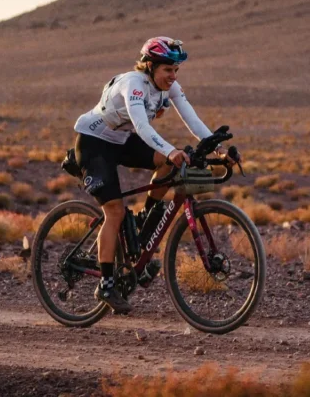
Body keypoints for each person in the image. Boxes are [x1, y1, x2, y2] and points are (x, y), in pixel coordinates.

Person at [72, 36, 230, 314]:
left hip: (120, 141)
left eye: (176, 70)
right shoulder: (133, 85)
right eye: (168, 70)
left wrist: (220, 150)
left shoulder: (169, 87)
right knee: (115, 212)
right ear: (149, 66)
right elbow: (142, 127)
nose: (173, 76)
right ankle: (106, 284)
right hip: (94, 143)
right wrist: (171, 150)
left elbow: (192, 119)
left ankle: (145, 222)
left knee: (167, 164)